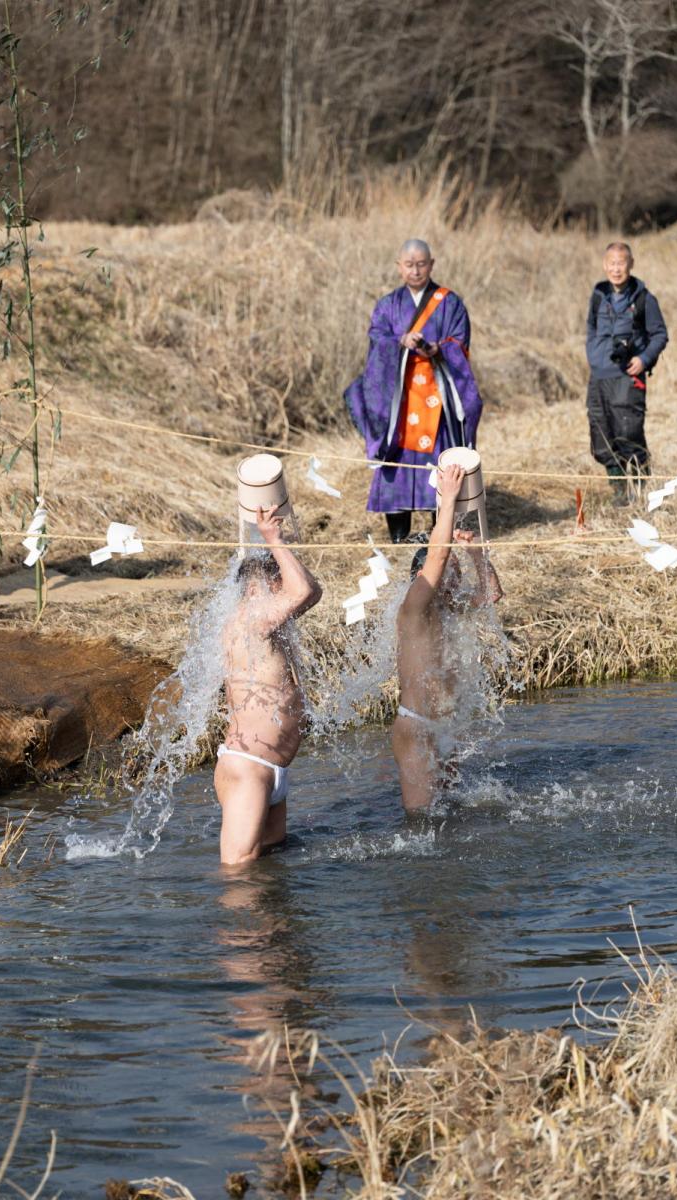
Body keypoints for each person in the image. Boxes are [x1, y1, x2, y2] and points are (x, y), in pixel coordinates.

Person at [345, 239, 482, 543]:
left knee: (440, 460)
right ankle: (398, 535)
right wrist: (400, 341)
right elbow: (377, 339)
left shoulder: (450, 303)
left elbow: (460, 340)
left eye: (422, 264)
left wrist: (438, 348)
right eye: (409, 264)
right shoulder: (388, 305)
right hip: (400, 400)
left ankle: (442, 530)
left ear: (431, 264)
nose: (416, 270)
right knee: (397, 461)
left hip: (437, 396)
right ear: (399, 266)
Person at [214, 505, 322, 866]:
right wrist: (274, 539)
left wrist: (279, 546)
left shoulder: (267, 621)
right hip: (249, 767)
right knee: (239, 870)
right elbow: (303, 590)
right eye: (279, 584)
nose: (284, 592)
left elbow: (313, 592)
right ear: (259, 588)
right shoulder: (252, 617)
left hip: (271, 767)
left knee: (270, 863)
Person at [392, 463, 502, 812]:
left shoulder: (449, 608)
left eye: (456, 575)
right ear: (423, 577)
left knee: (451, 816)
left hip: (444, 727)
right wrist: (449, 499)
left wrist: (474, 553)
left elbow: (491, 595)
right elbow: (437, 555)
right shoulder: (415, 606)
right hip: (417, 729)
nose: (453, 583)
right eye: (447, 575)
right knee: (422, 823)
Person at [585, 242, 668, 503]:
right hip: (599, 376)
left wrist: (644, 359)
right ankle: (620, 491)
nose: (616, 269)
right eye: (612, 263)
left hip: (628, 377)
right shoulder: (598, 295)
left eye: (621, 263)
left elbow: (660, 335)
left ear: (631, 264)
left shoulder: (644, 299)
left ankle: (643, 488)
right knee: (601, 435)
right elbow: (590, 327)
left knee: (628, 433)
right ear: (604, 265)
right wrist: (593, 354)